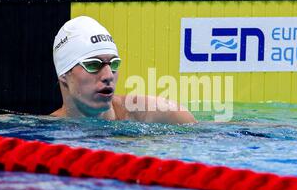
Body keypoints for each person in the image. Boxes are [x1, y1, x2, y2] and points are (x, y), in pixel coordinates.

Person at [51, 16, 196, 124]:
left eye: (114, 64)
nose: (108, 76)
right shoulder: (44, 130)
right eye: (93, 65)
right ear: (64, 74)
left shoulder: (164, 115)